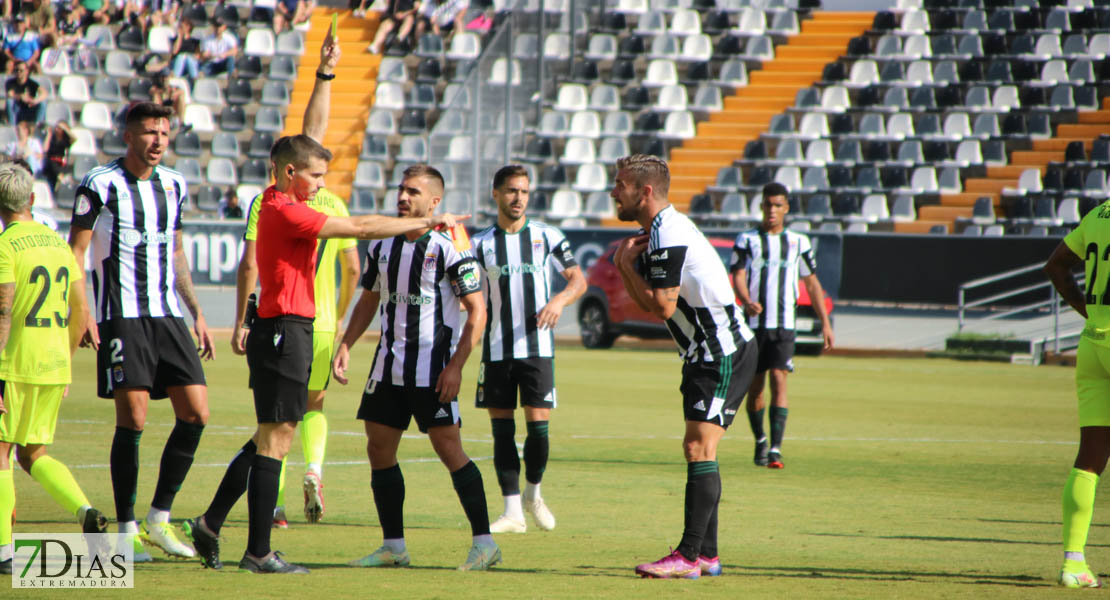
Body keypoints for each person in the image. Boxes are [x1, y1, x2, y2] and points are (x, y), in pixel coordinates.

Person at [332, 164, 500, 571]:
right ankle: (394, 546)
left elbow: (478, 312)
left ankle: (485, 543)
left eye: (413, 192)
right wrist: (346, 344)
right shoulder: (384, 244)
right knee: (378, 449)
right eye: (401, 190)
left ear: (434, 202)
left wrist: (456, 366)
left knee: (449, 450)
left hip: (434, 370)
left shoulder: (449, 248)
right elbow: (370, 299)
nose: (403, 197)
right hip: (388, 368)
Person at [68, 101, 214, 563]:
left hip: (168, 314)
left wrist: (197, 311)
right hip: (121, 315)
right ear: (128, 136)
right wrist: (84, 313)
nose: (158, 141)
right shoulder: (99, 184)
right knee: (132, 419)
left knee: (196, 412)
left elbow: (176, 252)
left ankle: (159, 520)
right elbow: (77, 253)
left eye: (164, 134)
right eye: (150, 132)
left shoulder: (174, 185)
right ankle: (127, 530)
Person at [230, 31, 357, 527]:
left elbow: (248, 266)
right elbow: (353, 266)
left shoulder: (269, 202)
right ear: (301, 170)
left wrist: (243, 318)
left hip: (281, 320)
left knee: (272, 422)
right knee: (309, 408)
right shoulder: (330, 203)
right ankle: (317, 468)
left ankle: (273, 506)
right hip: (320, 323)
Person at [610, 154, 757, 579]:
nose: (614, 192)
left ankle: (688, 555)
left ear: (646, 191)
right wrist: (625, 268)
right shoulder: (659, 229)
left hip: (720, 353)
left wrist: (623, 267)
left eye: (621, 184)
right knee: (699, 448)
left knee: (699, 448)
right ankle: (706, 554)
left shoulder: (668, 232)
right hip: (706, 354)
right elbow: (658, 306)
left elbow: (661, 306)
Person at [0, 161, 107, 576]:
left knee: (3, 453)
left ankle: (5, 551)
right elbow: (81, 312)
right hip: (53, 364)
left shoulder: (6, 246)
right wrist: (65, 364)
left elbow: (3, 313)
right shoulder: (59, 244)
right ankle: (84, 511)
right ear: (31, 199)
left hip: (15, 364)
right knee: (34, 454)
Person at [470, 164, 585, 534]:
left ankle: (533, 493)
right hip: (496, 348)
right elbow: (468, 293)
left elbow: (578, 279)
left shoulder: (547, 236)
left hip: (537, 348)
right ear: (496, 194)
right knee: (502, 432)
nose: (517, 198)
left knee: (538, 430)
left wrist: (559, 301)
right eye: (510, 191)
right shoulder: (480, 243)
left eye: (523, 191)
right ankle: (512, 512)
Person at [729, 182, 833, 469]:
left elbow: (811, 284)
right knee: (756, 387)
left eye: (777, 205)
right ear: (761, 206)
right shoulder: (747, 239)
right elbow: (737, 274)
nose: (772, 210)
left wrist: (825, 322)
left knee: (779, 377)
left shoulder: (799, 242)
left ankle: (775, 448)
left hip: (785, 325)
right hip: (753, 325)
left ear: (786, 208)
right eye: (767, 205)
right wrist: (746, 299)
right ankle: (760, 439)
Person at [1044, 206, 1110, 588]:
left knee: (1090, 458)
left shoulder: (1099, 215)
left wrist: (1087, 310)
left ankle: (1074, 562)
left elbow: (1055, 265)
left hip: (1094, 342)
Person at [5, 60, 45, 126]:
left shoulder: (32, 83)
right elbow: (10, 94)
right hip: (17, 107)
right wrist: (21, 96)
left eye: (21, 70)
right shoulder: (10, 82)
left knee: (43, 103)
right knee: (9, 101)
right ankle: (12, 126)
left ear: (27, 71)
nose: (18, 72)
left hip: (29, 107)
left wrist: (34, 101)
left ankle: (38, 125)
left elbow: (44, 93)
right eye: (17, 70)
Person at [42, 119, 72, 190]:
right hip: (51, 165)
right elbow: (45, 149)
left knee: (56, 167)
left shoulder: (66, 140)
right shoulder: (52, 138)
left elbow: (74, 138)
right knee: (51, 164)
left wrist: (65, 128)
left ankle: (59, 177)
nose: (56, 129)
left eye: (59, 127)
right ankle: (59, 176)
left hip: (61, 164)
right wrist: (48, 135)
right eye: (56, 127)